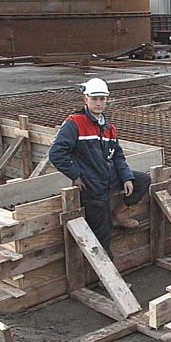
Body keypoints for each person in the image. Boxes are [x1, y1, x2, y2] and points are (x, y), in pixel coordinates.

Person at [49, 78, 151, 257]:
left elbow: (117, 155)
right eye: (94, 98)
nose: (98, 103)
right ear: (85, 99)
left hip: (109, 177)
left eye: (102, 99)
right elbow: (57, 153)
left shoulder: (108, 127)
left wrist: (126, 177)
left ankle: (120, 213)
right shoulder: (75, 123)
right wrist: (76, 175)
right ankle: (106, 281)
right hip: (92, 186)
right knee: (103, 235)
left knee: (142, 180)